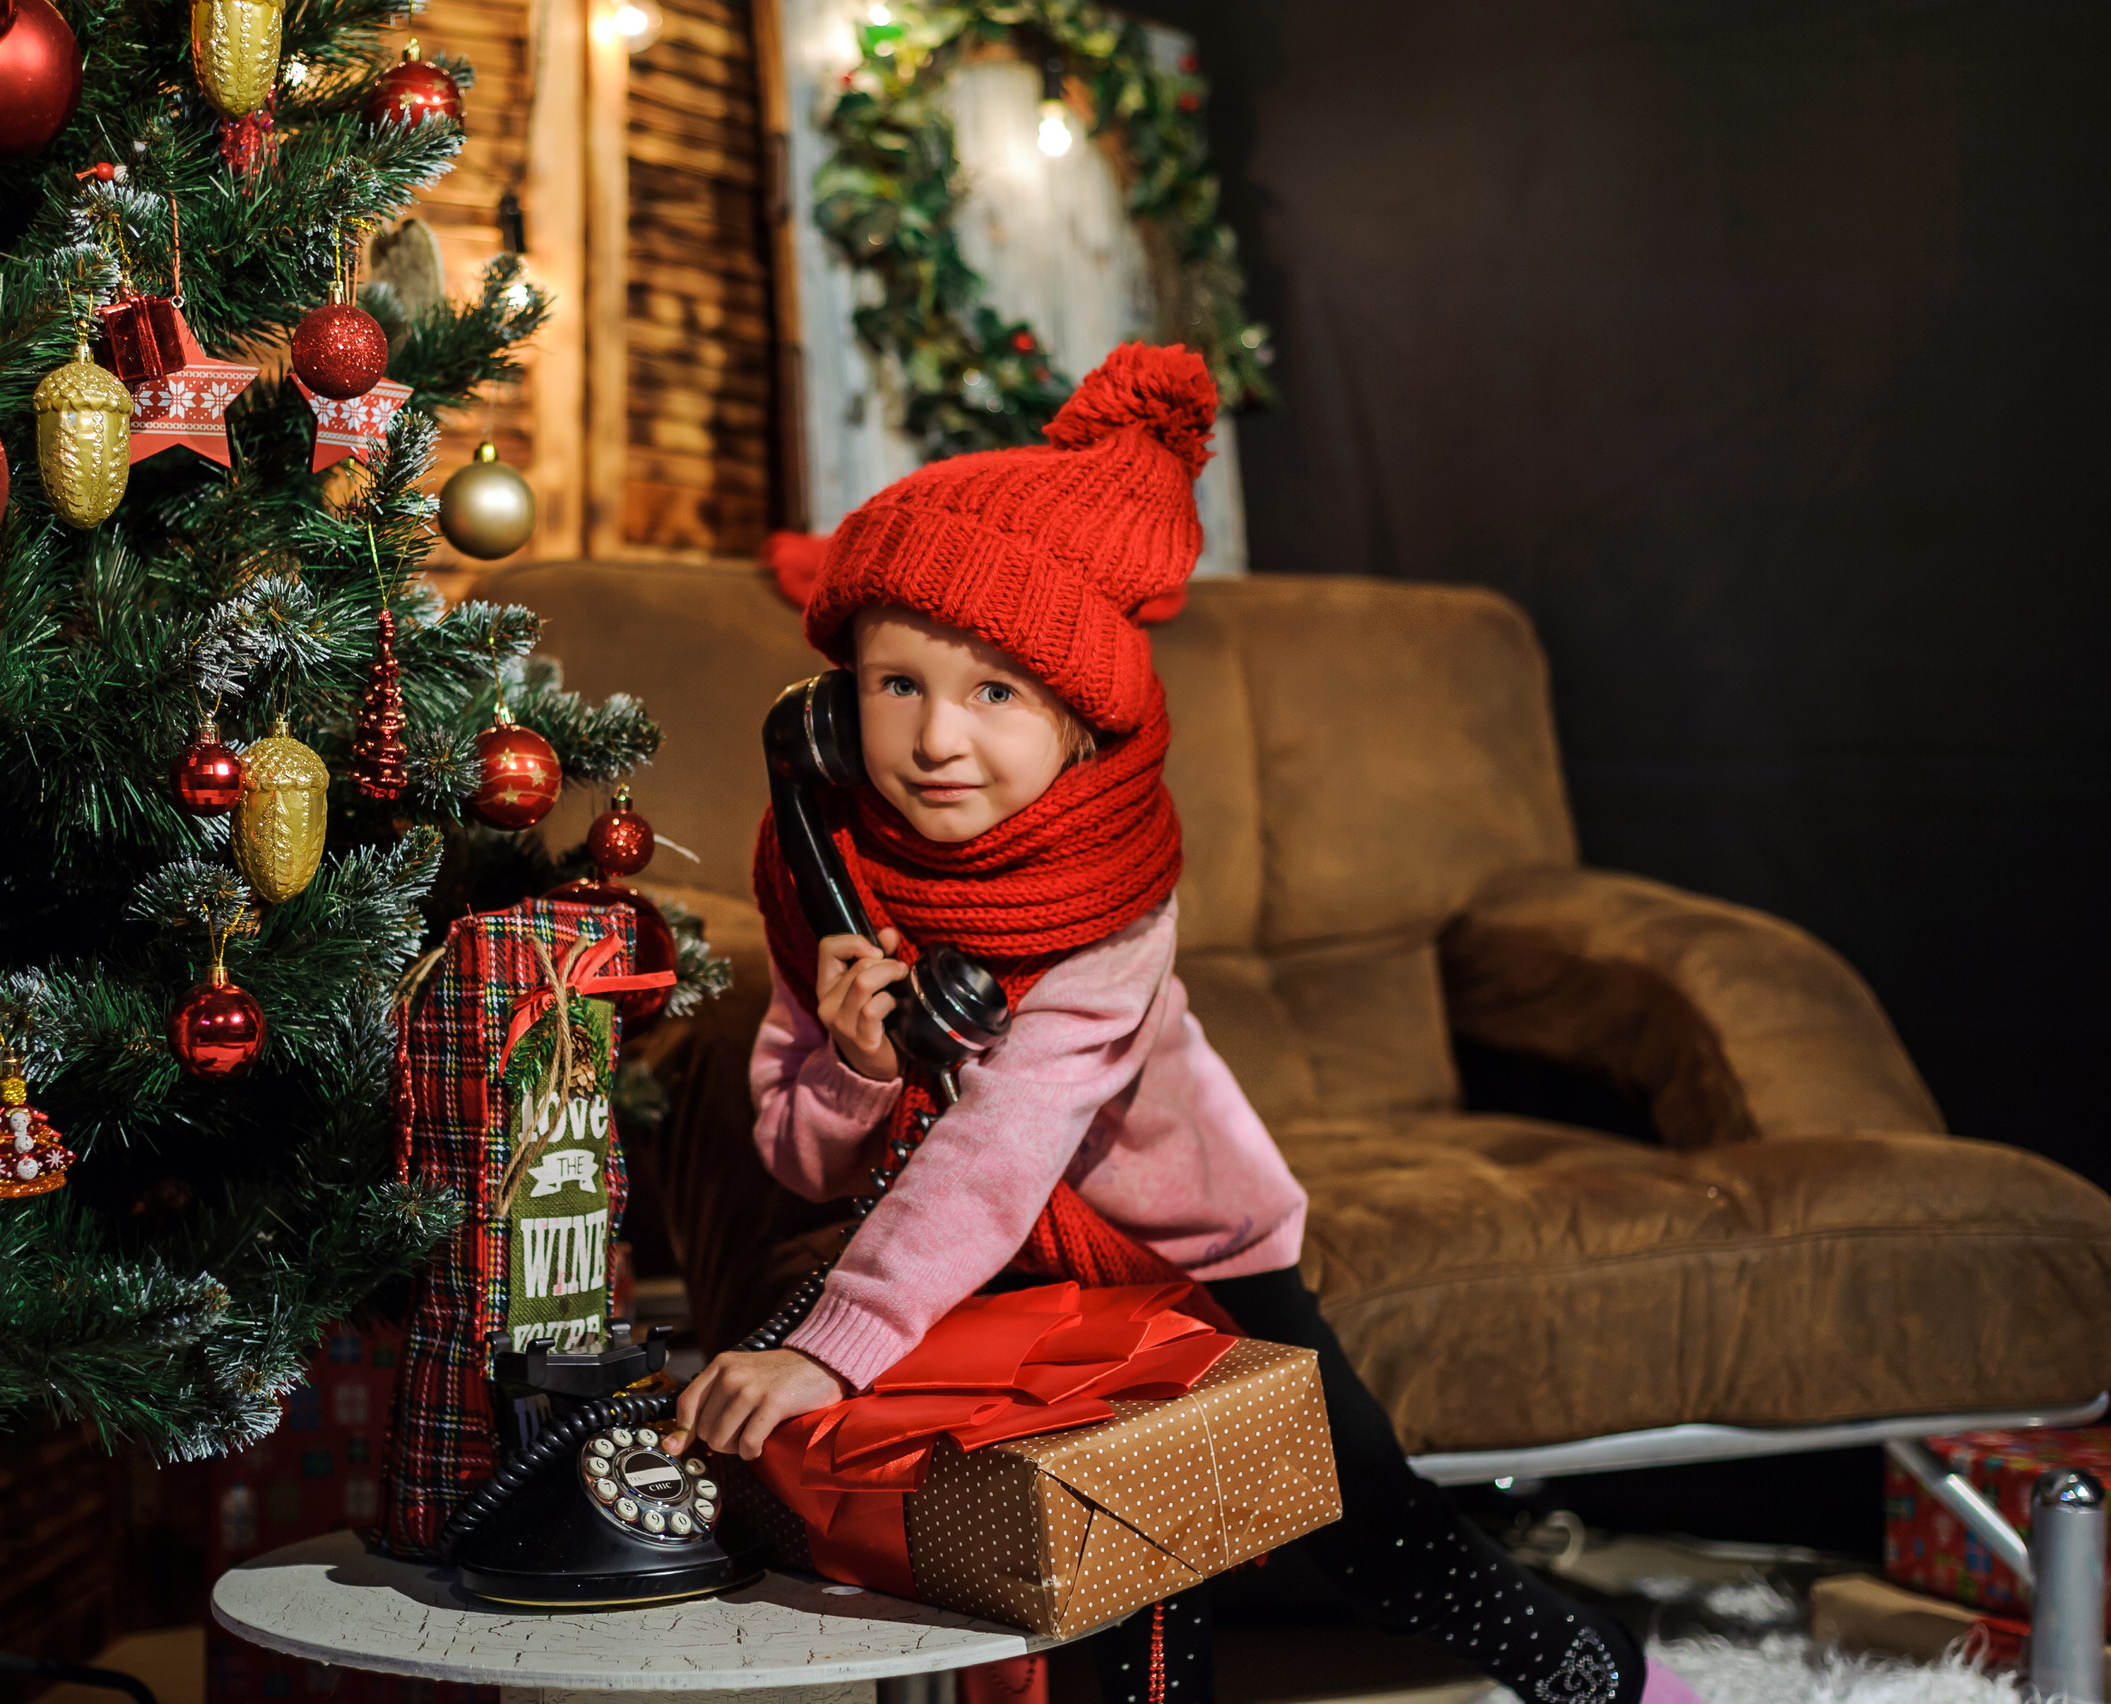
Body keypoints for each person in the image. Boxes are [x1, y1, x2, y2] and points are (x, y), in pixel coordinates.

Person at [664, 344, 1701, 1704]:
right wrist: (857, 1070)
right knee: (1097, 1571)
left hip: (1186, 1247)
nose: (935, 739)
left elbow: (997, 1154)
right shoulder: (824, 862)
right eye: (896, 683)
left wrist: (824, 1346)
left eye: (996, 694)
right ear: (828, 706)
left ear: (1084, 723)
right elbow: (805, 1162)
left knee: (1366, 1517)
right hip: (1001, 1288)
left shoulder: (1112, 908)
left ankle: (1587, 1664)